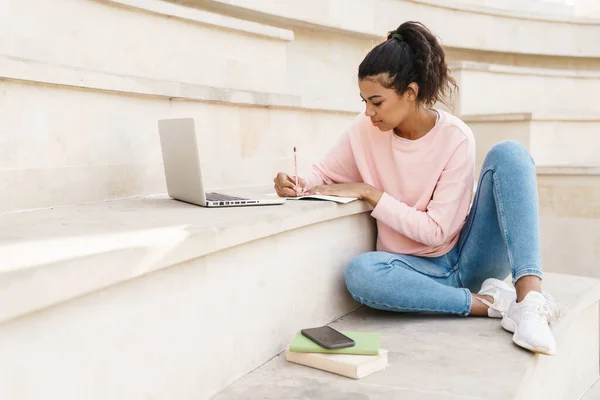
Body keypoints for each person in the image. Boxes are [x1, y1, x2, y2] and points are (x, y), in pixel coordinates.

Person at [273, 21, 561, 355]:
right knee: (361, 273)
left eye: (377, 102)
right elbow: (324, 172)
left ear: (409, 93)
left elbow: (436, 232)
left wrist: (372, 193)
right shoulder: (363, 131)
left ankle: (530, 301)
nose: (368, 112)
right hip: (413, 271)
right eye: (364, 100)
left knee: (510, 153)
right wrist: (298, 182)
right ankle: (491, 303)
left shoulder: (455, 138)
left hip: (467, 256)